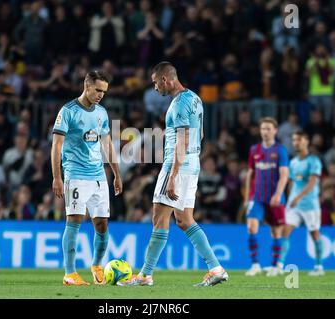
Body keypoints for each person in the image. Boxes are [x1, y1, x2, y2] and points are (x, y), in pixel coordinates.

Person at [122, 62, 228, 287]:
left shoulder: (179, 104)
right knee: (184, 219)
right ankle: (216, 268)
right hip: (193, 164)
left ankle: (144, 276)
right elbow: (199, 135)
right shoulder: (195, 99)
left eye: (154, 83)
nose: (154, 88)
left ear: (164, 79)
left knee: (159, 218)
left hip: (176, 166)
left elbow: (184, 139)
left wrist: (172, 175)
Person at [51, 70, 122, 286]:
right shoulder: (68, 111)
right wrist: (57, 177)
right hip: (75, 173)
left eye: (104, 91)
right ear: (87, 85)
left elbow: (107, 144)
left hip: (98, 175)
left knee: (102, 224)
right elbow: (56, 146)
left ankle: (97, 265)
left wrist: (117, 173)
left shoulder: (101, 113)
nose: (101, 94)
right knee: (75, 220)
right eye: (98, 89)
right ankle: (69, 273)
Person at [244, 117, 289, 277]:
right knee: (251, 227)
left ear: (275, 131)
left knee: (276, 232)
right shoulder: (254, 150)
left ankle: (276, 265)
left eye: (269, 128)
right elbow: (250, 173)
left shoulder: (280, 150)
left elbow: (284, 175)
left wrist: (278, 194)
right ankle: (255, 264)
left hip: (275, 198)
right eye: (263, 128)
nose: (265, 132)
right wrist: (246, 196)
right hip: (257, 197)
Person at [278, 131, 325, 276]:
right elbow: (291, 183)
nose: (296, 142)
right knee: (286, 231)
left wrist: (298, 197)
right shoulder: (293, 162)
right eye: (294, 140)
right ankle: (279, 265)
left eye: (299, 139)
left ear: (306, 141)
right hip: (294, 205)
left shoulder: (314, 161)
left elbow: (312, 182)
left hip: (310, 205)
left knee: (314, 234)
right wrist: (290, 198)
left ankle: (318, 266)